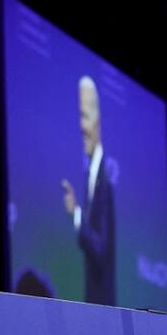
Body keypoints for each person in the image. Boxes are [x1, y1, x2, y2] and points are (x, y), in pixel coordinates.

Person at [61, 76, 116, 305]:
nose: (82, 126)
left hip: (102, 311)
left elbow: (100, 250)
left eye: (86, 115)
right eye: (79, 116)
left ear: (98, 119)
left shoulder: (104, 181)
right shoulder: (91, 174)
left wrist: (76, 214)